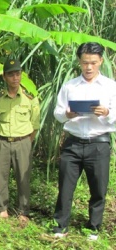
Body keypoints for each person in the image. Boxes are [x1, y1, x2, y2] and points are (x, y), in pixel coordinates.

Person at [53, 42, 116, 240]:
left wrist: (106, 112)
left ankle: (93, 227)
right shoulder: (70, 86)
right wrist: (68, 114)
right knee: (65, 186)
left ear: (101, 62)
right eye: (85, 62)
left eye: (93, 63)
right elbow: (57, 113)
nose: (88, 67)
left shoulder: (110, 86)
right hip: (72, 143)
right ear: (79, 62)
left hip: (99, 143)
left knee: (98, 188)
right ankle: (60, 226)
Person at [0, 58, 40, 223]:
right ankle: (1, 208)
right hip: (2, 141)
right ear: (4, 76)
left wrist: (26, 141)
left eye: (18, 74)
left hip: (23, 141)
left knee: (23, 177)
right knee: (0, 176)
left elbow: (35, 124)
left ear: (21, 75)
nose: (15, 78)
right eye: (11, 74)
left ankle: (23, 211)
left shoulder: (30, 98)